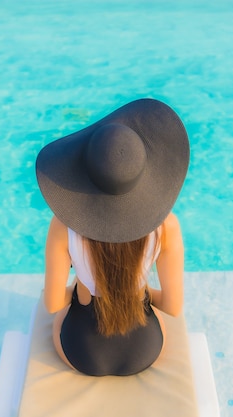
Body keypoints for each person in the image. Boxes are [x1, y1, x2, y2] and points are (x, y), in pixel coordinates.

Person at [35, 98, 190, 376]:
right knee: (159, 324)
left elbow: (53, 303)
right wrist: (135, 293)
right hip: (145, 348)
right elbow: (174, 307)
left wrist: (78, 289)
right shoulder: (168, 226)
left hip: (83, 350)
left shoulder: (63, 227)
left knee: (62, 314)